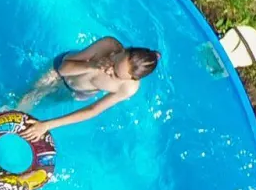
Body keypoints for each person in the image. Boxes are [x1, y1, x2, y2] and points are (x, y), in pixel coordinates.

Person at [16, 37, 160, 142]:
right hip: (61, 70)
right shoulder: (108, 46)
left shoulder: (128, 88)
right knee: (28, 99)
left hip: (80, 91)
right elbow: (63, 69)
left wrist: (47, 125)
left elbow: (93, 110)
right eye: (114, 61)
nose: (109, 70)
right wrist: (93, 65)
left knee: (46, 103)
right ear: (123, 50)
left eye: (116, 74)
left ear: (131, 79)